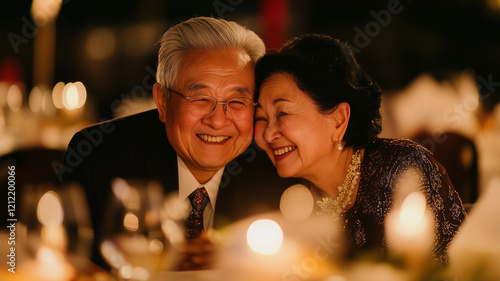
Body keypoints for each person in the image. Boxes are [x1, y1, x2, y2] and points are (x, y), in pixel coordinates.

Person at [57, 17, 298, 271]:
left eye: (237, 101)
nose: (217, 121)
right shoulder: (100, 156)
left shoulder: (274, 166)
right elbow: (59, 260)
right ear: (162, 102)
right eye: (200, 98)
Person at [253, 34, 466, 263]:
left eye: (282, 113)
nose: (267, 133)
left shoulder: (400, 171)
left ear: (338, 120)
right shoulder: (287, 200)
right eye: (261, 118)